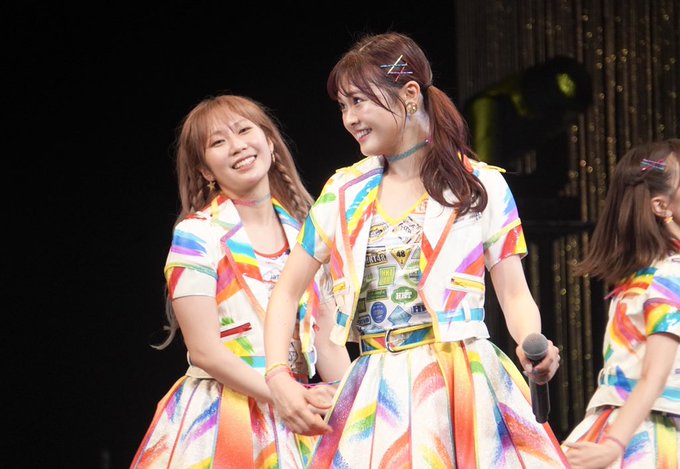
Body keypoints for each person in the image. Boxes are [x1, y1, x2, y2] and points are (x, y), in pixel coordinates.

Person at [263, 31, 569, 468]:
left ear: (409, 94)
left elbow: (514, 293)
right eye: (343, 106)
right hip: (376, 382)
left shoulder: (479, 185)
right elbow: (287, 291)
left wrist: (530, 344)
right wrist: (278, 376)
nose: (349, 118)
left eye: (358, 101)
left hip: (460, 379)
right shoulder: (343, 192)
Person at [130, 94, 350, 469]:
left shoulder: (307, 235)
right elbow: (204, 351)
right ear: (205, 171)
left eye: (244, 130)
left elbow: (327, 342)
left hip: (300, 415)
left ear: (269, 142)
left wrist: (354, 408)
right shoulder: (197, 235)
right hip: (224, 418)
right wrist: (283, 395)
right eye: (218, 142)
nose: (237, 145)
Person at [562, 139, 680, 469]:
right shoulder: (670, 276)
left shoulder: (642, 277)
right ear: (661, 206)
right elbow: (654, 375)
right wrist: (615, 445)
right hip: (648, 434)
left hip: (615, 424)